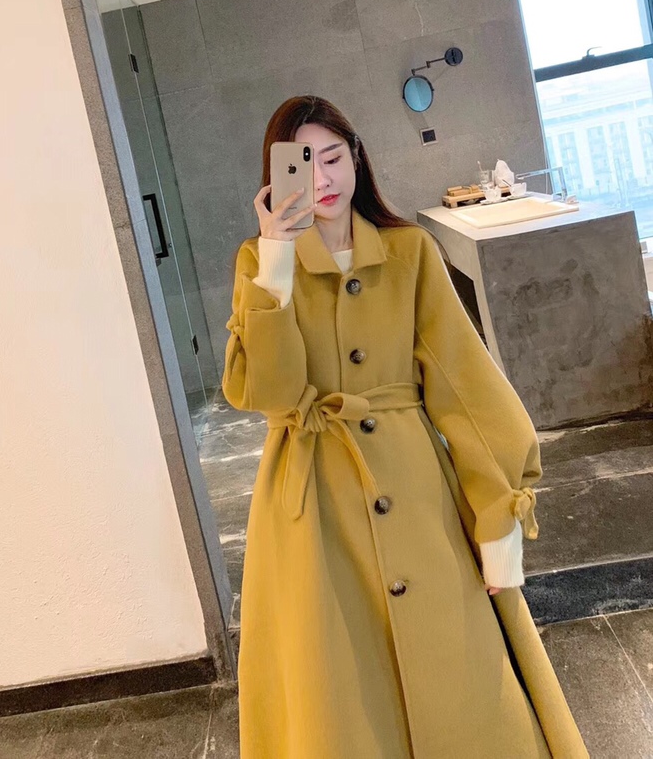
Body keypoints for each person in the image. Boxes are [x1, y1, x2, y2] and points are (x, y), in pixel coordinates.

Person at [223, 95, 587, 759]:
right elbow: (266, 393)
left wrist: (499, 518)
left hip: (415, 487)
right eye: (304, 162)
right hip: (310, 507)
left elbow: (466, 386)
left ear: (357, 157)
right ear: (277, 174)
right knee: (337, 691)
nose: (323, 178)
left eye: (334, 157)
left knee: (460, 667)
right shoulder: (260, 261)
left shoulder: (408, 252)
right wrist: (275, 260)